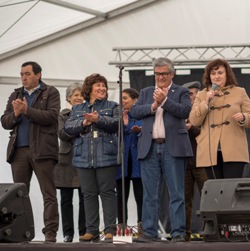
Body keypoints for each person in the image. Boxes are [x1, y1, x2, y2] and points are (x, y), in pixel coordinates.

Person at [130, 57, 192, 243]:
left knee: (176, 193)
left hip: (172, 147)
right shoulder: (146, 92)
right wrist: (153, 106)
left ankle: (178, 233)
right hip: (149, 147)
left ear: (172, 74)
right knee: (150, 194)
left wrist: (165, 101)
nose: (160, 77)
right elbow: (134, 112)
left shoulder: (181, 91)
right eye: (157, 74)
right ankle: (149, 233)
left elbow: (185, 111)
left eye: (164, 74)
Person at [1, 61, 60, 243]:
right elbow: (5, 121)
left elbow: (51, 116)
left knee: (48, 194)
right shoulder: (16, 94)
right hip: (18, 151)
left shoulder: (50, 92)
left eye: (27, 74)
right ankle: (19, 233)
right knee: (17, 196)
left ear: (38, 75)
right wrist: (17, 114)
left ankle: (50, 234)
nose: (23, 78)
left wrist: (27, 110)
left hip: (43, 150)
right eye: (21, 74)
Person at [64, 73, 119, 243]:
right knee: (88, 194)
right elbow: (68, 128)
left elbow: (117, 124)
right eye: (98, 86)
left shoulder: (113, 106)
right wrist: (84, 123)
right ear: (90, 89)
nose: (102, 88)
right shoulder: (77, 109)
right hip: (83, 156)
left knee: (108, 192)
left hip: (106, 155)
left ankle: (110, 230)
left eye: (104, 85)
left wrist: (99, 119)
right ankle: (92, 230)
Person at [189, 59, 250, 179]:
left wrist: (243, 117)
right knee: (215, 192)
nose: (217, 76)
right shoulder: (202, 95)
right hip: (209, 150)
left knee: (231, 190)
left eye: (220, 73)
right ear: (209, 76)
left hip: (234, 149)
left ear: (227, 74)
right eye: (213, 74)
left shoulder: (240, 92)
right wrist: (206, 102)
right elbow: (194, 120)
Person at [54, 82, 86, 242]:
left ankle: (84, 232)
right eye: (75, 95)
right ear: (68, 98)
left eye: (81, 94)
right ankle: (68, 234)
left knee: (84, 198)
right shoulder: (63, 115)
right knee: (66, 199)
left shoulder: (89, 113)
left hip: (84, 159)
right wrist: (81, 126)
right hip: (65, 161)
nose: (79, 97)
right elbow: (62, 134)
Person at [182, 81, 208, 241]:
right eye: (189, 94)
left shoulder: (204, 110)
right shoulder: (180, 112)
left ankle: (210, 231)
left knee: (207, 198)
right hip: (184, 162)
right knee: (184, 201)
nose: (192, 96)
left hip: (202, 161)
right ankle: (184, 233)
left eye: (195, 93)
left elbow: (204, 133)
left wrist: (191, 128)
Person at [116, 88, 143, 235]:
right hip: (122, 161)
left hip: (137, 160)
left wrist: (131, 127)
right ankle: (121, 227)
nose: (122, 101)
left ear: (135, 100)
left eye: (125, 98)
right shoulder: (117, 116)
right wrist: (123, 123)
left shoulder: (142, 114)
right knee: (121, 196)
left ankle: (142, 227)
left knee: (140, 195)